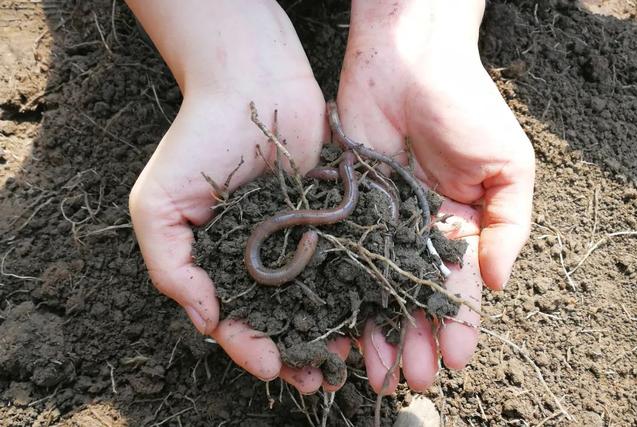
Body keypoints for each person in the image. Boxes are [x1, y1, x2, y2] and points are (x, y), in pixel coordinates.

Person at [125, 0, 535, 395]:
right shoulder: (342, 185)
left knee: (341, 200)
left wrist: (428, 29)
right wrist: (229, 56)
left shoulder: (352, 183)